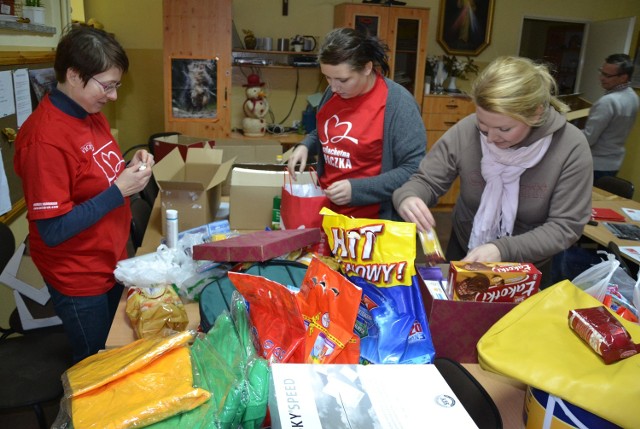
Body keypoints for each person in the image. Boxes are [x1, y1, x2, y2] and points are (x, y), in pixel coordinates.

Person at [14, 26, 154, 363]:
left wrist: (127, 167)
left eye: (117, 86)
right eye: (107, 86)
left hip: (109, 261)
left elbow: (95, 175)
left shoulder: (90, 115)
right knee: (95, 366)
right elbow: (52, 229)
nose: (114, 96)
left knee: (117, 347)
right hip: (79, 277)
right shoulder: (44, 140)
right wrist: (119, 190)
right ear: (75, 76)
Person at [392, 56, 593, 285]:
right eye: (483, 125)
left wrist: (501, 249)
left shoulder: (570, 146)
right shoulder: (467, 129)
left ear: (536, 113)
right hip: (465, 250)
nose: (490, 138)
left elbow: (565, 226)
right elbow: (425, 181)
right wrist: (408, 197)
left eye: (504, 128)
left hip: (529, 267)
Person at [287, 27, 426, 221]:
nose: (334, 87)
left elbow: (414, 170)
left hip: (373, 223)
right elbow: (325, 131)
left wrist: (357, 190)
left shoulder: (399, 104)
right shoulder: (334, 92)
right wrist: (307, 144)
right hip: (329, 215)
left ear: (367, 68)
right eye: (327, 77)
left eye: (343, 79)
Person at [582, 53, 639, 181]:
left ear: (623, 77)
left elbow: (589, 138)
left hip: (596, 164)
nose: (601, 78)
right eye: (602, 72)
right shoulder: (633, 97)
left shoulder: (607, 102)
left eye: (607, 75)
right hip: (613, 162)